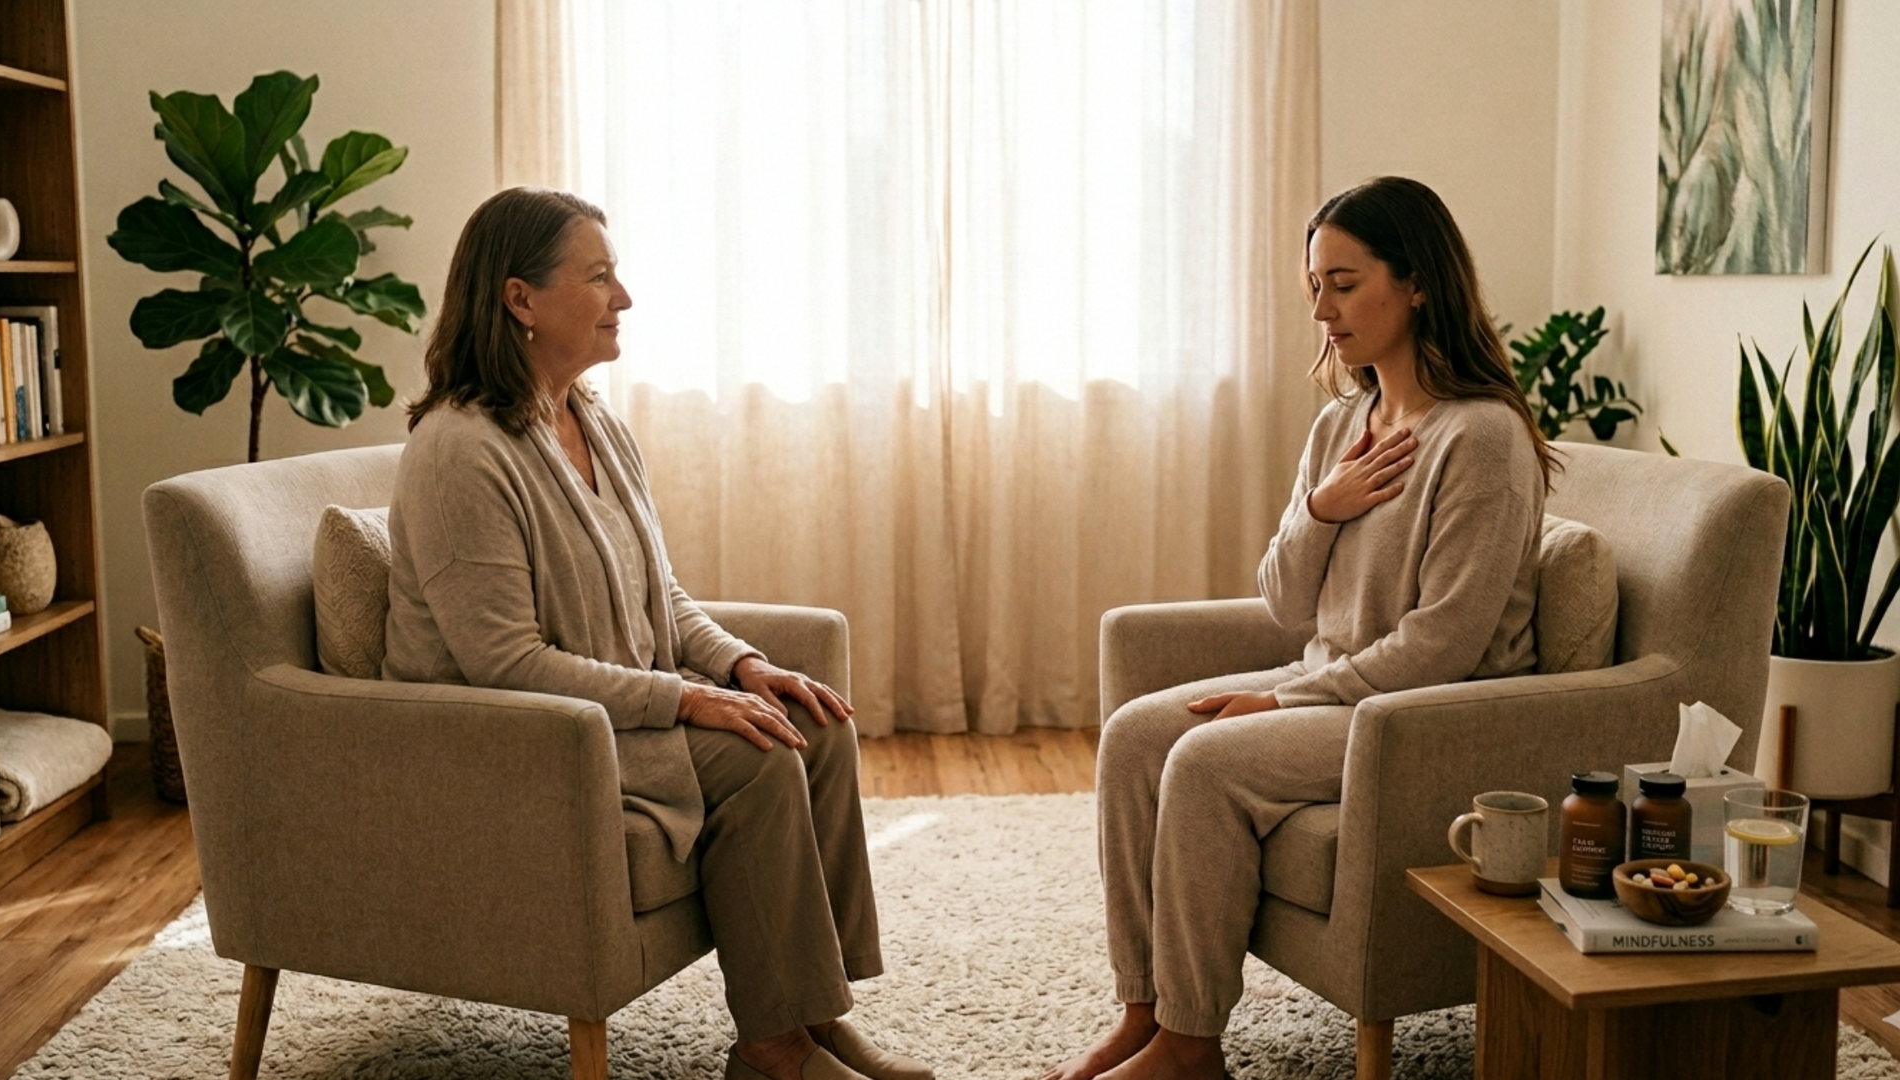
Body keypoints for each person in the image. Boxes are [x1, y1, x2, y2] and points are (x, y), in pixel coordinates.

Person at [384, 187, 932, 1080]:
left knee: (817, 725)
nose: (623, 298)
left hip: (601, 716)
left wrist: (741, 665)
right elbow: (504, 662)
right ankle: (772, 1050)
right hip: (509, 740)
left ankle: (818, 1015)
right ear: (519, 299)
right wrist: (687, 699)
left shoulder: (593, 421)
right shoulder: (459, 450)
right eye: (598, 277)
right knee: (756, 758)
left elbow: (659, 596)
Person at [1045, 176, 1556, 1080]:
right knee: (1132, 739)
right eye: (1313, 284)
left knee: (1202, 759)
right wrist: (1323, 507)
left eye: (1345, 282)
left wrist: (1278, 695)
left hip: (1422, 715)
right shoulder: (1340, 424)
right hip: (1338, 691)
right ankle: (1145, 1012)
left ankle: (1192, 1049)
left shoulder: (1482, 439)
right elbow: (1285, 602)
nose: (1322, 308)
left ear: (1418, 282)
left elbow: (1444, 645)